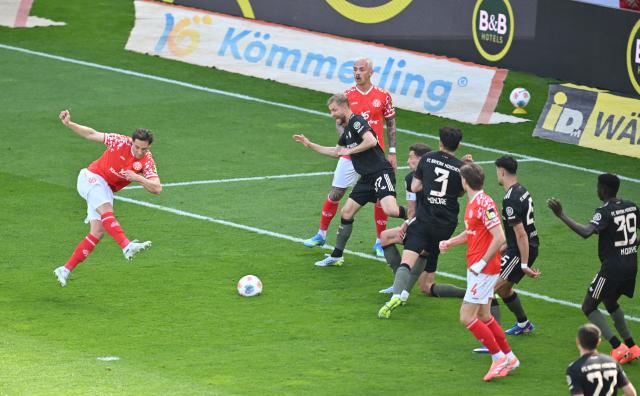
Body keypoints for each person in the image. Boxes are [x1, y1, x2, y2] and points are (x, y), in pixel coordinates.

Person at [293, 93, 406, 267]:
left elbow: (370, 140)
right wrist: (310, 144)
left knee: (390, 210)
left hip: (380, 173)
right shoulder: (347, 131)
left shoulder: (357, 121)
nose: (332, 114)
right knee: (346, 213)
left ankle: (417, 215)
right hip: (366, 178)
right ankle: (337, 256)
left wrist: (350, 151)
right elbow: (336, 151)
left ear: (344, 106)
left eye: (334, 110)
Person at [53, 110, 161, 287]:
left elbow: (157, 188)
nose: (140, 151)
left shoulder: (147, 161)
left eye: (144, 149)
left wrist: (138, 178)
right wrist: (69, 124)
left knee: (97, 232)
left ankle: (65, 269)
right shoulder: (120, 142)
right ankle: (126, 246)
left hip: (105, 190)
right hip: (91, 177)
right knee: (106, 211)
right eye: (137, 147)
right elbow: (92, 134)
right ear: (132, 141)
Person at [303, 58, 397, 258]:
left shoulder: (383, 96)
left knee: (381, 198)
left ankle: (380, 241)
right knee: (336, 192)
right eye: (354, 69)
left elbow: (390, 123)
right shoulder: (346, 96)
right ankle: (321, 234)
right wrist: (346, 143)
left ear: (370, 72)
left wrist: (393, 151)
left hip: (373, 156)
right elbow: (339, 123)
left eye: (361, 69)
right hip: (351, 154)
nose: (357, 73)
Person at [548, 174, 640, 364]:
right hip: (631, 264)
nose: (596, 190)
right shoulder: (631, 205)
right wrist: (632, 244)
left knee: (588, 306)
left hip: (612, 268)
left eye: (598, 187)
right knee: (610, 300)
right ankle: (632, 346)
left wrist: (561, 215)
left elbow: (586, 232)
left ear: (604, 189)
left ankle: (618, 347)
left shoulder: (604, 211)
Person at [439, 162, 519, 381]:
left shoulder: (484, 204)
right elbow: (472, 232)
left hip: (483, 270)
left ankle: (497, 358)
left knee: (466, 316)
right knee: (484, 315)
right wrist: (451, 242)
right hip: (478, 267)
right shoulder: (475, 202)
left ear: (465, 182)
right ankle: (510, 357)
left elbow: (500, 238)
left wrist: (481, 263)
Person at [377, 126, 465, 318]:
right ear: (458, 145)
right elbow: (460, 192)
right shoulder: (460, 167)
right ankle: (469, 295)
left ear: (440, 142)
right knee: (426, 281)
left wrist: (429, 182)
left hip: (424, 220)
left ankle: (396, 295)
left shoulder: (427, 159)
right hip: (447, 225)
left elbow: (416, 187)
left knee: (406, 260)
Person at [493, 156, 541, 334]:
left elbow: (521, 234)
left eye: (497, 171)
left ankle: (494, 342)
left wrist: (523, 264)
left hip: (520, 252)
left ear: (502, 171)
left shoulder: (510, 199)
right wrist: (507, 243)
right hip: (525, 246)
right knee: (505, 291)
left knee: (488, 291)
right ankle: (524, 324)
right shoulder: (522, 190)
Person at [567, 323, 637, 396]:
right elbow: (631, 393)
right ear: (599, 342)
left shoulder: (575, 368)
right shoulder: (612, 362)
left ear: (577, 341)